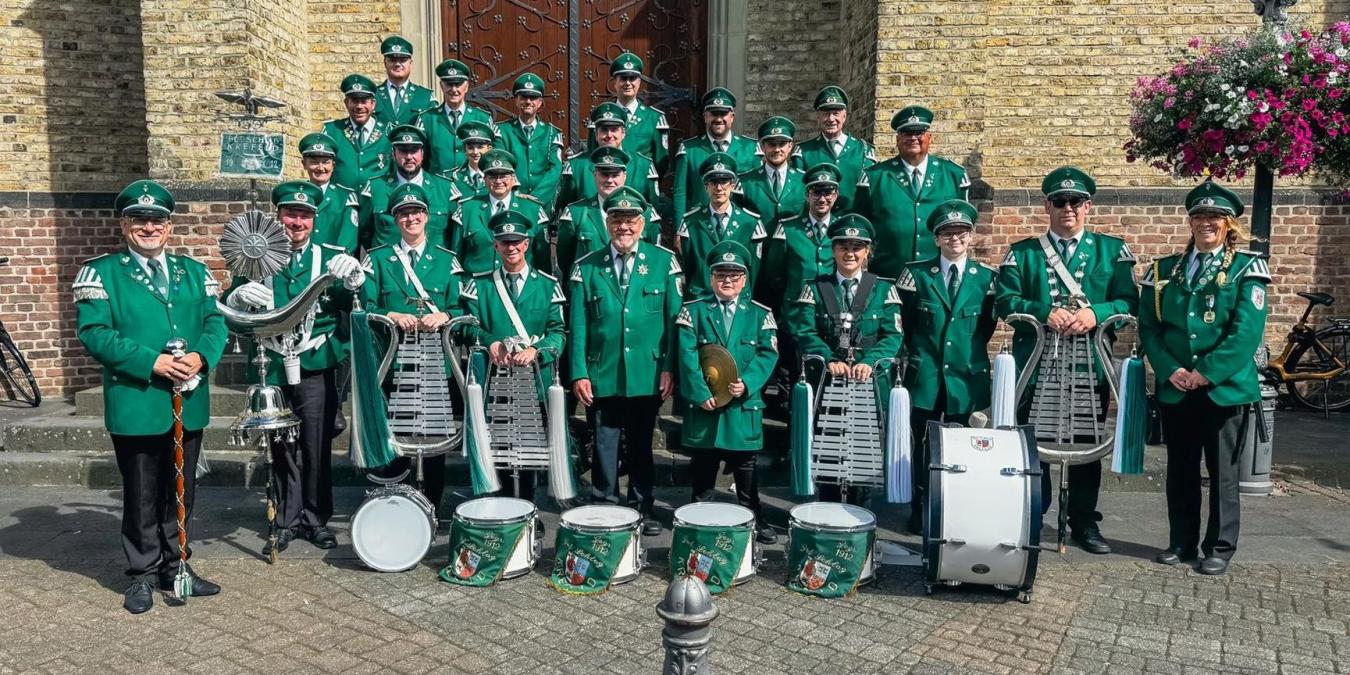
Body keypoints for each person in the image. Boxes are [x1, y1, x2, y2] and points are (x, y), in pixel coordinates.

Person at [75, 180, 228, 614]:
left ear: (169, 225)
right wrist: (152, 362)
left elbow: (216, 321)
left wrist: (201, 355)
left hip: (188, 397)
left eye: (157, 220)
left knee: (182, 491)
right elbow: (95, 333)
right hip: (138, 400)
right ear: (124, 224)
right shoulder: (101, 272)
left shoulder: (194, 271)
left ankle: (176, 567)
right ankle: (141, 574)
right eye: (139, 219)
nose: (149, 227)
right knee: (142, 492)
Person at [995, 166, 1138, 555]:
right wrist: (1042, 311)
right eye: (1060, 201)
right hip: (1037, 365)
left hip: (1087, 364)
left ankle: (1084, 522)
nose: (1068, 208)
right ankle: (1032, 515)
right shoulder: (1022, 253)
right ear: (1047, 206)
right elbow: (1004, 301)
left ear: (1088, 206)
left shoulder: (1112, 250)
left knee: (1085, 444)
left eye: (1076, 202)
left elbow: (1129, 302)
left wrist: (1097, 313)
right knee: (1032, 444)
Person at [224, 181, 366, 557]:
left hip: (315, 362)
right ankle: (286, 519)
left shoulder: (330, 256)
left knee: (316, 443)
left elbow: (353, 305)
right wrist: (236, 296)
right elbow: (233, 314)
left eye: (304, 215)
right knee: (280, 445)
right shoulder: (254, 256)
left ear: (314, 219)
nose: (296, 222)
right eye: (290, 214)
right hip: (269, 364)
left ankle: (315, 518)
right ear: (278, 216)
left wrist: (354, 280)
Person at [1139, 181, 1270, 576]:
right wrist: (1171, 370)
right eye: (1198, 216)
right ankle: (1181, 541)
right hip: (1177, 387)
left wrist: (1205, 373)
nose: (1205, 223)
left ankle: (1219, 547)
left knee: (1223, 473)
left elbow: (1246, 334)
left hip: (1223, 390)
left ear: (1228, 224)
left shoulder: (1248, 268)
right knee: (1180, 471)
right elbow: (1150, 328)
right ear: (1190, 221)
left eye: (1213, 217)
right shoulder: (1162, 270)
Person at [569, 189, 682, 536]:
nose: (624, 227)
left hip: (647, 372)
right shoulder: (586, 266)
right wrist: (579, 372)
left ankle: (641, 506)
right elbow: (578, 325)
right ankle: (605, 503)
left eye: (630, 220)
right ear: (607, 223)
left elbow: (675, 321)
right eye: (617, 220)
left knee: (641, 442)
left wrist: (669, 367)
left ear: (642, 223)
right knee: (604, 440)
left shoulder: (664, 263)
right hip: (604, 370)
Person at [359, 183, 465, 511]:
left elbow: (464, 308)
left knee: (434, 438)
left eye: (416, 212)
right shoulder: (377, 260)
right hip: (394, 364)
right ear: (394, 219)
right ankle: (399, 505)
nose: (411, 218)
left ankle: (432, 505)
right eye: (404, 213)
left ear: (427, 216)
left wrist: (444, 315)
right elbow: (365, 305)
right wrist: (391, 314)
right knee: (398, 436)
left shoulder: (447, 261)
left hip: (435, 364)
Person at [785, 214, 904, 503]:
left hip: (867, 383)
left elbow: (893, 335)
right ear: (833, 250)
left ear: (867, 252)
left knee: (863, 454)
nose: (850, 253)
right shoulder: (815, 287)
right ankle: (827, 512)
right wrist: (827, 359)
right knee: (827, 452)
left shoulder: (883, 289)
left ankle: (858, 513)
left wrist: (870, 361)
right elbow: (803, 330)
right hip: (829, 383)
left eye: (857, 247)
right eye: (843, 247)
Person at [896, 199, 997, 532]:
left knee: (965, 448)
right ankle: (920, 507)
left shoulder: (987, 279)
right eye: (948, 233)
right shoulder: (916, 275)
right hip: (925, 377)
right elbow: (906, 324)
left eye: (962, 232)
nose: (955, 239)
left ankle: (956, 510)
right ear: (936, 238)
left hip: (966, 380)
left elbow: (985, 329)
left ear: (971, 237)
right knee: (922, 445)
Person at [675, 240, 779, 544]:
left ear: (744, 280)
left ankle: (754, 518)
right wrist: (697, 392)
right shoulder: (693, 311)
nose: (727, 281)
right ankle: (697, 520)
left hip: (742, 405)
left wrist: (747, 382)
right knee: (703, 467)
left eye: (734, 276)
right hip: (706, 404)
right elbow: (686, 354)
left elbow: (768, 353)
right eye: (721, 275)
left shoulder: (760, 314)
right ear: (711, 278)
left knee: (746, 468)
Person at [461, 209, 568, 501]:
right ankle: (500, 506)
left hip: (533, 380)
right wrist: (489, 342)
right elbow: (467, 328)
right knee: (495, 447)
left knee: (531, 450)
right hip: (493, 380)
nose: (512, 248)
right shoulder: (479, 285)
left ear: (527, 243)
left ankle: (528, 508)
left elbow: (558, 332)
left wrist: (537, 350)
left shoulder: (547, 285)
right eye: (505, 242)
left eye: (517, 241)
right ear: (495, 245)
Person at [855, 105, 970, 278]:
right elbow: (861, 224)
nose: (913, 138)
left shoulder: (953, 175)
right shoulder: (874, 177)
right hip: (888, 275)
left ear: (929, 137)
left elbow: (964, 226)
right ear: (897, 139)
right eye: (907, 133)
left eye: (919, 133)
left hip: (937, 277)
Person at [548, 154, 662, 279]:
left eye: (615, 175)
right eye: (604, 175)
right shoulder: (576, 213)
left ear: (624, 176)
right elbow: (565, 259)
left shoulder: (646, 213)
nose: (609, 180)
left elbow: (653, 256)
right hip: (592, 286)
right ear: (595, 175)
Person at [676, 153, 767, 299]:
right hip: (702, 299)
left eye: (724, 181)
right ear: (706, 186)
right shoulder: (690, 222)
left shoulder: (750, 222)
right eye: (713, 182)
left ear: (732, 185)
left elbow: (754, 270)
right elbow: (690, 267)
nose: (719, 188)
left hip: (737, 300)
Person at [671, 87, 759, 233]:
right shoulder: (689, 149)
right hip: (698, 226)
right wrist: (680, 229)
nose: (719, 119)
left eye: (723, 114)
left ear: (732, 116)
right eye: (713, 114)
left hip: (740, 226)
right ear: (705, 116)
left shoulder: (750, 149)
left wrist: (754, 226)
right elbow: (680, 193)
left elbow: (756, 192)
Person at [358, 124, 460, 249]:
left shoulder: (445, 188)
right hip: (388, 265)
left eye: (414, 150)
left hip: (433, 265)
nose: (409, 157)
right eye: (403, 151)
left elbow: (455, 236)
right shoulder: (375, 188)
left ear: (422, 153)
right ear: (393, 154)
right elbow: (364, 232)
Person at [448, 149, 549, 275]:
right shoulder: (466, 210)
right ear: (484, 179)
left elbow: (543, 262)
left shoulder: (533, 210)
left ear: (513, 178)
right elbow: (456, 258)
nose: (498, 181)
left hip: (518, 287)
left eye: (503, 175)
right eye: (492, 176)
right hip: (477, 288)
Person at [760, 163, 841, 312]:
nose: (822, 199)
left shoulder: (841, 229)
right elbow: (774, 275)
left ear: (835, 195)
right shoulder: (788, 229)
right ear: (806, 195)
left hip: (832, 310)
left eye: (827, 193)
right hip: (796, 311)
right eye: (816, 192)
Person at [557, 103, 660, 210]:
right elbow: (567, 207)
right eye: (604, 130)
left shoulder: (643, 165)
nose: (609, 135)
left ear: (623, 133)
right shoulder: (576, 165)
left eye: (614, 129)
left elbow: (651, 208)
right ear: (596, 134)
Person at [792, 86, 875, 213]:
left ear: (844, 116)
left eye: (836, 113)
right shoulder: (803, 151)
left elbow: (871, 193)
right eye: (826, 113)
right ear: (818, 117)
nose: (831, 119)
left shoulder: (863, 150)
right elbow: (799, 193)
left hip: (852, 226)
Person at [496, 73, 565, 209]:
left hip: (542, 204)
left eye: (533, 98)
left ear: (539, 103)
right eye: (523, 97)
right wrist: (515, 193)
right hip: (511, 201)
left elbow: (555, 169)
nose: (528, 102)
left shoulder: (552, 133)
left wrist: (536, 198)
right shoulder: (502, 131)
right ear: (516, 100)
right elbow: (501, 165)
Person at [419, 58, 497, 176]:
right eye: (449, 84)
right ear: (441, 86)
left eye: (458, 84)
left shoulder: (483, 118)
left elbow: (493, 155)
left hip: (474, 188)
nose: (454, 89)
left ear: (466, 87)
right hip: (439, 187)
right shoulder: (427, 119)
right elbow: (418, 157)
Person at [734, 116, 806, 233]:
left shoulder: (803, 180)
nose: (777, 149)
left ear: (790, 146)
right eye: (772, 144)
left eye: (782, 144)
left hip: (791, 248)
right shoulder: (745, 181)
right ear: (763, 147)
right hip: (757, 246)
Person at [321, 74, 393, 191]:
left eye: (364, 101)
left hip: (377, 204)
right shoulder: (332, 131)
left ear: (373, 103)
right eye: (354, 101)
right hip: (342, 205)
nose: (359, 106)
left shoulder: (388, 131)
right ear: (346, 103)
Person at [606, 51, 669, 174]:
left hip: (639, 188)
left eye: (632, 78)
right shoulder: (601, 117)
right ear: (615, 83)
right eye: (623, 78)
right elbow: (593, 157)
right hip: (609, 185)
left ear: (639, 83)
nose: (628, 83)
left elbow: (661, 164)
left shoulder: (654, 118)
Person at [298, 132, 360, 253]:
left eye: (326, 162)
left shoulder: (345, 197)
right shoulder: (297, 195)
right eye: (314, 162)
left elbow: (348, 240)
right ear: (304, 164)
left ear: (333, 165)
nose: (320, 168)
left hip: (333, 264)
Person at [373, 35, 435, 126]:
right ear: (385, 63)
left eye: (403, 60)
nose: (397, 64)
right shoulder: (373, 95)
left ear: (410, 63)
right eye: (392, 60)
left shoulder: (425, 96)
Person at [444, 121, 497, 201]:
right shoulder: (451, 177)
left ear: (489, 149)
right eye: (470, 148)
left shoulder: (500, 177)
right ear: (465, 150)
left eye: (480, 147)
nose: (475, 152)